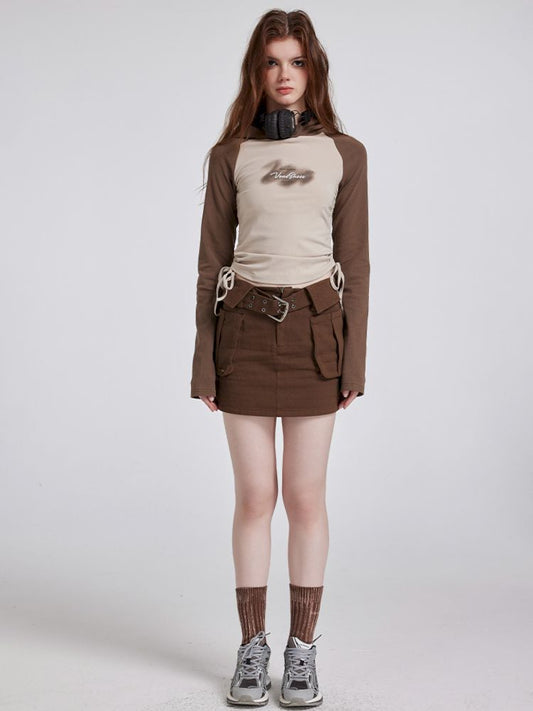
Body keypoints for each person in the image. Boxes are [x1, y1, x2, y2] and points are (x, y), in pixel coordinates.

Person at [190, 9, 370, 707]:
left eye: (295, 61)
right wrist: (202, 361)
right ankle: (251, 646)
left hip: (315, 336)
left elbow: (356, 264)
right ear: (256, 72)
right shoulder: (229, 155)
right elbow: (210, 266)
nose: (284, 75)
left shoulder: (346, 154)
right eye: (271, 62)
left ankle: (301, 649)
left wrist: (354, 361)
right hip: (241, 333)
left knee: (304, 495)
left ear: (312, 69)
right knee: (255, 496)